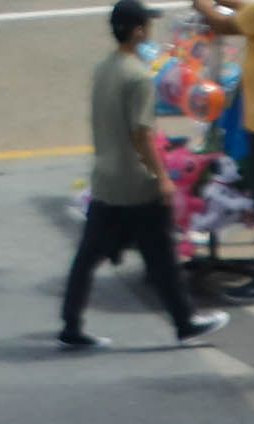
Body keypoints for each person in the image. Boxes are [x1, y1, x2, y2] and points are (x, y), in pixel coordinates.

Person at [63, 0, 224, 350]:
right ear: (137, 30)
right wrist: (162, 178)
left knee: (87, 257)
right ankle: (184, 322)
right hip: (137, 184)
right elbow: (142, 134)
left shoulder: (105, 68)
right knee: (162, 254)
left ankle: (70, 323)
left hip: (106, 180)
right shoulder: (137, 77)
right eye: (147, 25)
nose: (150, 30)